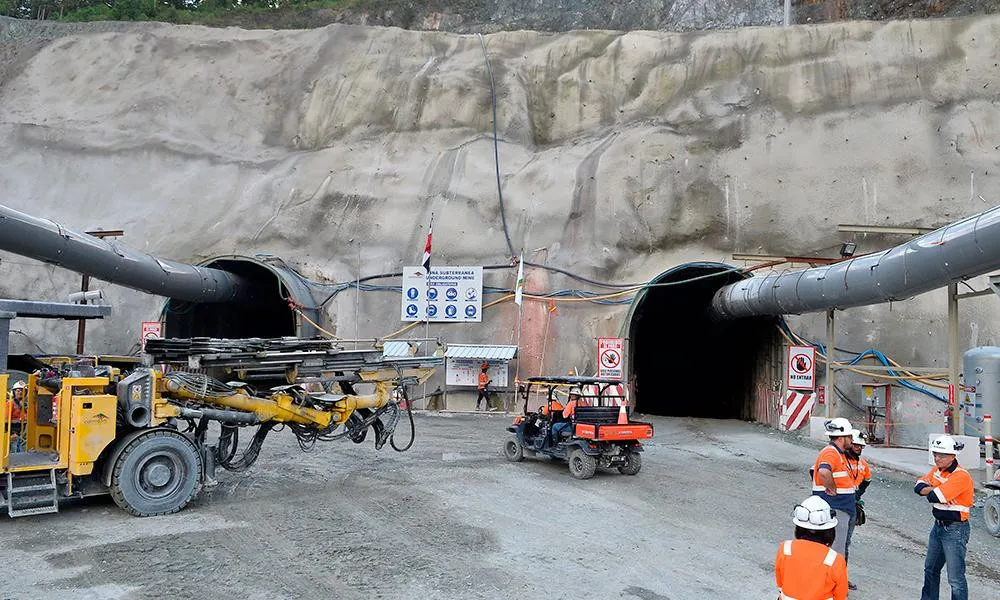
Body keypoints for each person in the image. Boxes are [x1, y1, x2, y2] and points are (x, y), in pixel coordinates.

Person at [914, 434, 974, 600]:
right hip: (938, 527)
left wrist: (933, 489)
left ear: (953, 456)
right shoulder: (938, 470)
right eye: (935, 454)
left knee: (955, 579)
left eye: (942, 455)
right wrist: (937, 488)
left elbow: (934, 497)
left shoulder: (961, 476)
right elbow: (918, 487)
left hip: (955, 530)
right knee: (930, 569)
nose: (937, 458)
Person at [775, 495, 848, 600]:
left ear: (798, 527)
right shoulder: (835, 560)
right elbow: (840, 595)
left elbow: (780, 583)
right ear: (829, 530)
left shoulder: (785, 548)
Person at [810, 417, 857, 560]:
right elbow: (823, 472)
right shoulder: (831, 452)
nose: (852, 440)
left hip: (840, 508)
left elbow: (813, 471)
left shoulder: (837, 453)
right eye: (850, 437)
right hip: (837, 508)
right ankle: (834, 575)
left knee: (837, 548)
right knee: (836, 552)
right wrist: (831, 488)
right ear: (842, 438)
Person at [843, 429, 872, 590]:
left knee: (845, 543)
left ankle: (841, 577)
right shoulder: (839, 460)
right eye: (855, 445)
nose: (858, 448)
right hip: (838, 506)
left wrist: (857, 495)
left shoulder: (863, 464)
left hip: (852, 508)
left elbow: (867, 480)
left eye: (861, 446)